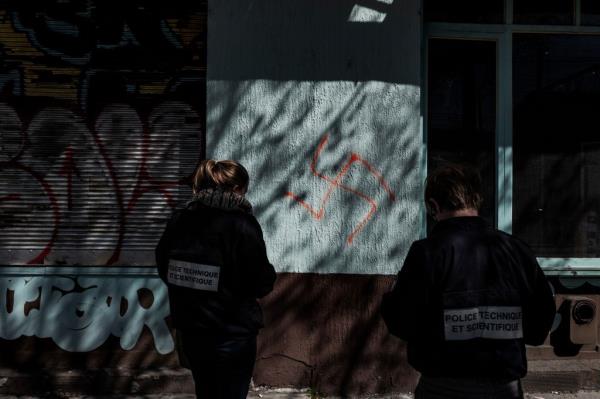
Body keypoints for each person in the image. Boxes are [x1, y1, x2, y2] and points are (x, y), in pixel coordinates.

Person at [381, 163, 555, 399]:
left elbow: (403, 320)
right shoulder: (516, 250)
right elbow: (540, 320)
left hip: (443, 386)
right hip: (505, 387)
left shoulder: (428, 252)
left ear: (433, 205)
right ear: (476, 201)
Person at [156, 159, 277, 399]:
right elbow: (261, 281)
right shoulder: (241, 224)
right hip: (231, 333)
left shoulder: (181, 220)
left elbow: (165, 267)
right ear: (235, 189)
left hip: (191, 329)